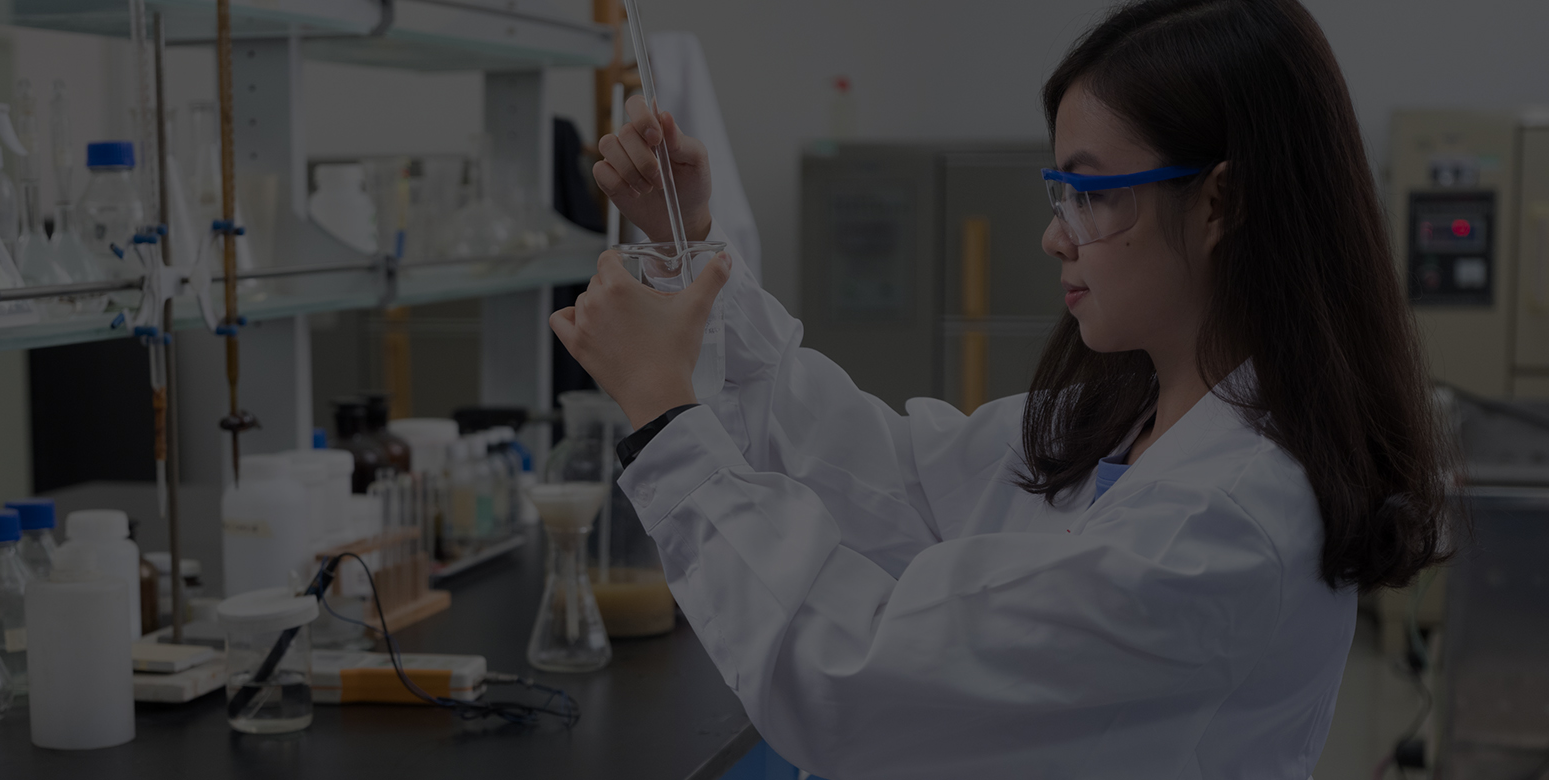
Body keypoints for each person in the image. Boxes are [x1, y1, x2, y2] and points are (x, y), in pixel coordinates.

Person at [550, 0, 1462, 777]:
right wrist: (686, 243)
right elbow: (889, 474)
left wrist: (667, 421)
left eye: (1092, 194)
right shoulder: (1119, 426)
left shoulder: (1219, 527)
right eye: (1060, 191)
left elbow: (857, 677)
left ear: (1222, 202)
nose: (1056, 235)